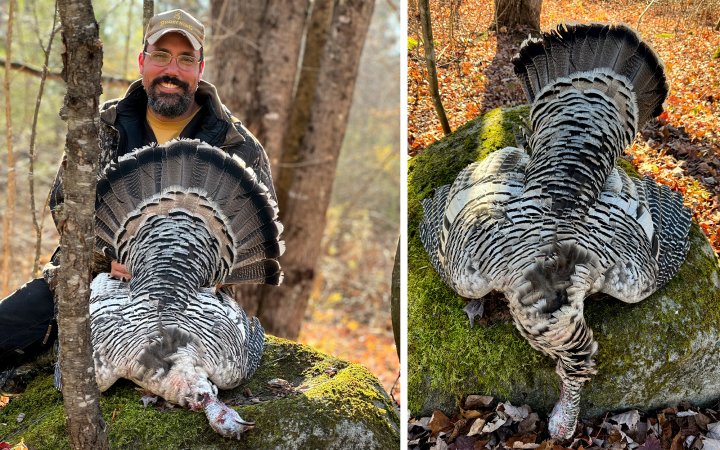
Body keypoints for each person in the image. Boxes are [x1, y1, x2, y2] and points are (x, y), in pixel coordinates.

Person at [0, 9, 275, 376]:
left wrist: (188, 272)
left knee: (156, 372)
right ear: (142, 61)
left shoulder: (237, 145)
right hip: (91, 277)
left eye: (185, 59)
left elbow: (249, 240)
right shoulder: (102, 126)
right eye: (161, 56)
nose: (171, 71)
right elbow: (64, 204)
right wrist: (106, 257)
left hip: (188, 300)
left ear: (200, 68)